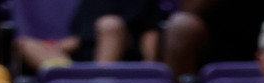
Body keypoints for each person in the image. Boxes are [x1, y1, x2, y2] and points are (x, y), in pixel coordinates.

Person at [13, 0, 158, 67]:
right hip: (80, 59)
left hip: (119, 59)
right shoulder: (88, 3)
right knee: (25, 44)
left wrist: (149, 68)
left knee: (109, 25)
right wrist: (55, 47)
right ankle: (71, 80)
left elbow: (149, 35)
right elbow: (80, 37)